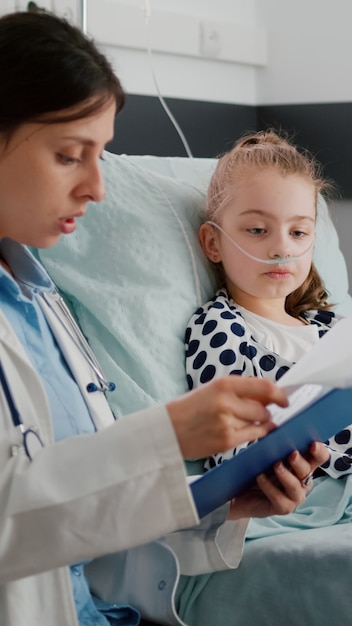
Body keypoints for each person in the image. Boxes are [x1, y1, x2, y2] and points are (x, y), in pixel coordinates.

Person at [0, 12, 327, 626]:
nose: (98, 188)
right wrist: (166, 437)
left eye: (102, 156)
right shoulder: (219, 329)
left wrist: (225, 506)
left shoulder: (40, 302)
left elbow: (85, 533)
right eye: (71, 155)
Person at [185, 129, 351, 478]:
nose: (282, 249)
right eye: (258, 230)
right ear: (213, 243)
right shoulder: (220, 328)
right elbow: (231, 453)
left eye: (298, 232)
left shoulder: (333, 329)